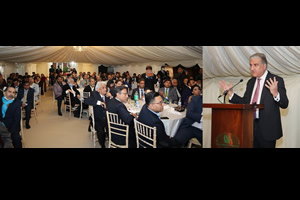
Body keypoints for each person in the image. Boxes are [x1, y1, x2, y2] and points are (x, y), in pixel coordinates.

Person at [219, 53, 289, 148]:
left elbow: (285, 104)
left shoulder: (276, 80)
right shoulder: (251, 82)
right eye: (250, 65)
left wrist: (276, 94)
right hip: (250, 128)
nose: (252, 68)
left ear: (264, 66)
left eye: (255, 65)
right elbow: (246, 103)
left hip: (268, 130)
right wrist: (231, 94)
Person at [85, 82, 110, 148]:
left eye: (106, 87)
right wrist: (99, 102)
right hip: (98, 118)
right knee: (101, 131)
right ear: (98, 90)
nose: (106, 89)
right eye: (103, 88)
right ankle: (103, 145)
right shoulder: (94, 94)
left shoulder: (108, 95)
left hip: (108, 117)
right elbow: (86, 101)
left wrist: (111, 97)